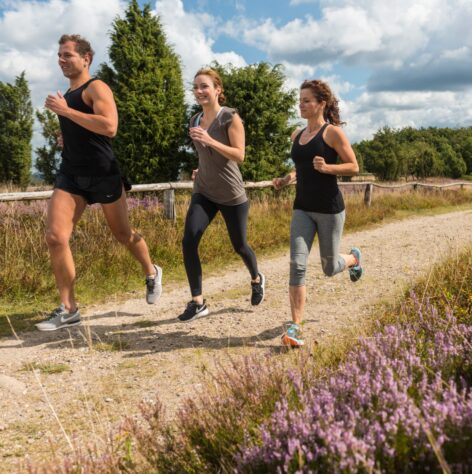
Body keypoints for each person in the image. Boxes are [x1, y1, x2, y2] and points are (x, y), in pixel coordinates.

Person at [36, 34, 162, 331]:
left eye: (67, 55)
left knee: (123, 234)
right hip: (71, 174)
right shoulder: (66, 95)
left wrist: (65, 112)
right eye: (59, 55)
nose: (61, 60)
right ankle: (69, 309)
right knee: (55, 237)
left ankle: (151, 271)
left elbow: (110, 126)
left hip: (103, 173)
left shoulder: (96, 87)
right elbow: (84, 129)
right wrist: (66, 137)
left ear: (86, 59)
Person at [273, 79, 362, 347]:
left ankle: (353, 259)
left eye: (307, 101)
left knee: (328, 267)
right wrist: (287, 179)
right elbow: (301, 169)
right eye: (299, 101)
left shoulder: (332, 133)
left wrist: (328, 169)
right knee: (297, 265)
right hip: (302, 207)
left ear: (321, 104)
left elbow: (353, 166)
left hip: (329, 210)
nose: (301, 105)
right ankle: (296, 328)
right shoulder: (296, 136)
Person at [178, 67, 265, 322]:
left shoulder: (230, 118)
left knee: (240, 246)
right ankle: (198, 302)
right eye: (195, 87)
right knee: (189, 240)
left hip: (231, 194)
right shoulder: (194, 119)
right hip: (204, 190)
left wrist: (209, 140)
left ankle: (257, 278)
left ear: (218, 89)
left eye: (204, 86)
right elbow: (205, 155)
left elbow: (239, 155)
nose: (199, 91)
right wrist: (201, 168)